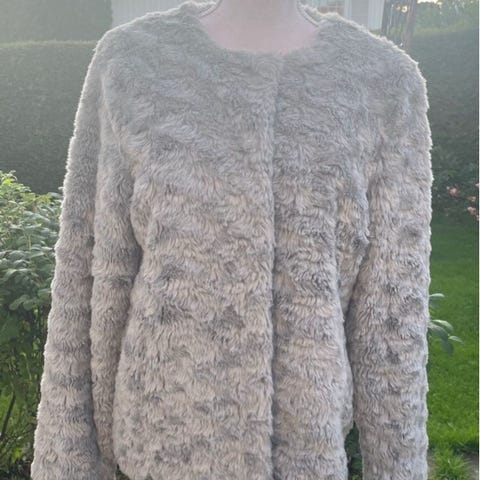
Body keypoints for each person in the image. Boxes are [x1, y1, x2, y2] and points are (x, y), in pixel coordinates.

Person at [31, 1, 434, 479]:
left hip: (304, 450)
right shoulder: (134, 62)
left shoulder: (383, 81)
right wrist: (72, 460)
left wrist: (398, 465)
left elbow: (393, 307)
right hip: (164, 445)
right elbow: (90, 269)